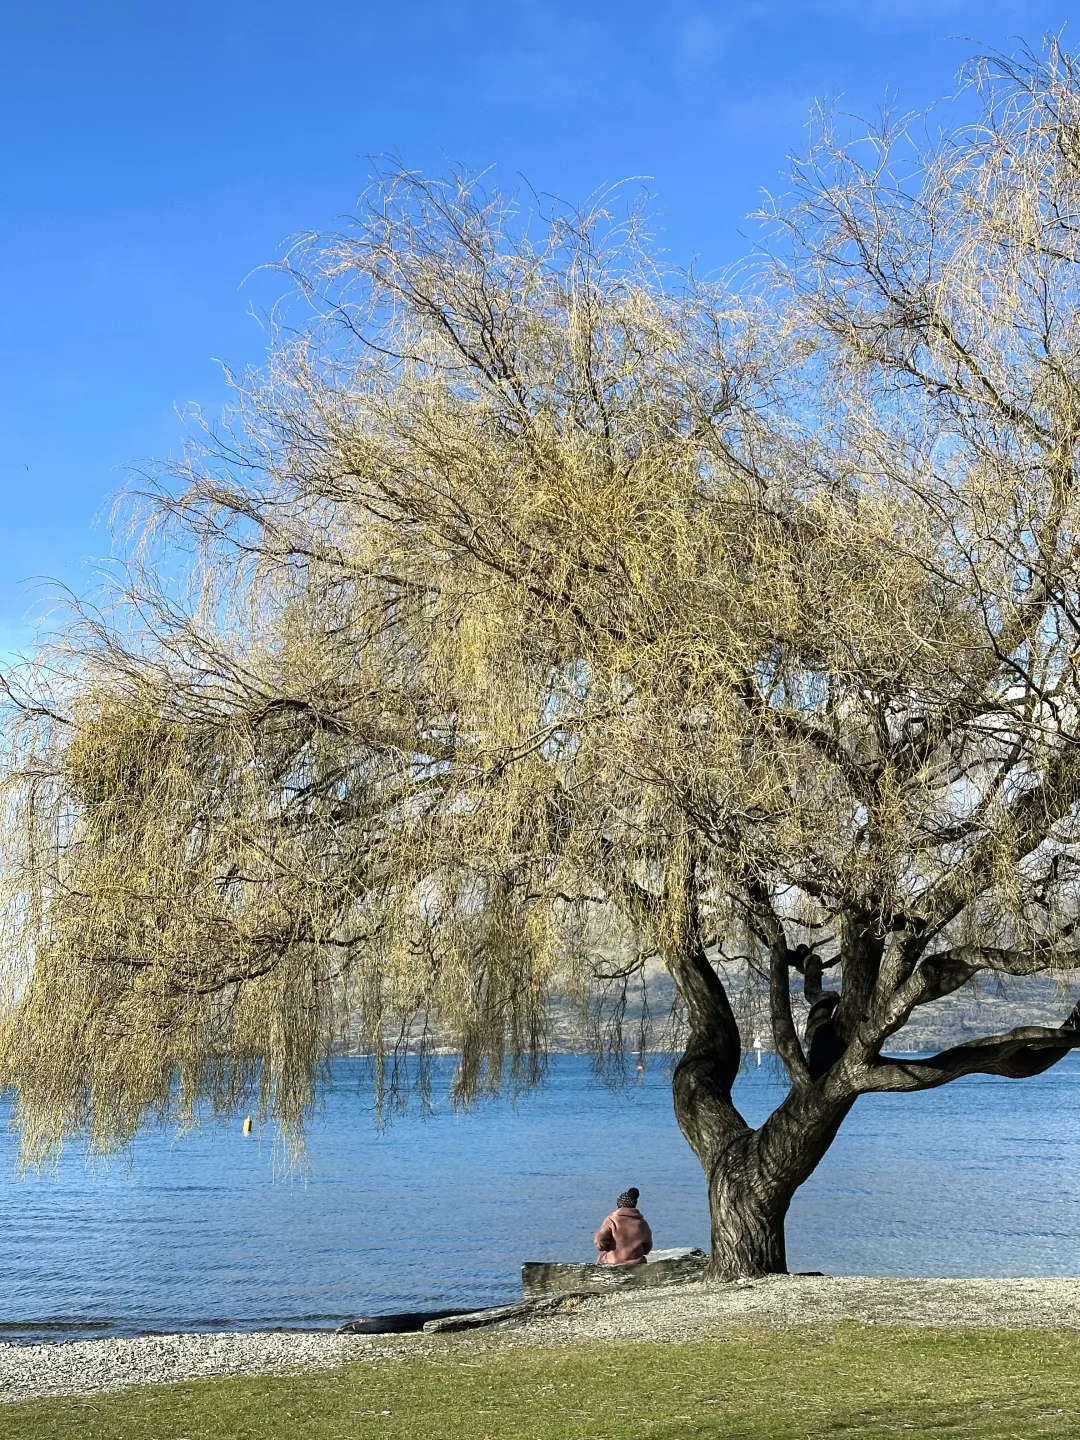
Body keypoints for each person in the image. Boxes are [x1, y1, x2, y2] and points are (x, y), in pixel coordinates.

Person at [593, 1187, 653, 1265]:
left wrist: (605, 1248)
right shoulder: (642, 1223)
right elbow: (647, 1248)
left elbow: (599, 1240)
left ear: (619, 1205)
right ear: (635, 1205)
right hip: (636, 1263)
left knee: (602, 1257)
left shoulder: (612, 1220)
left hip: (613, 1262)